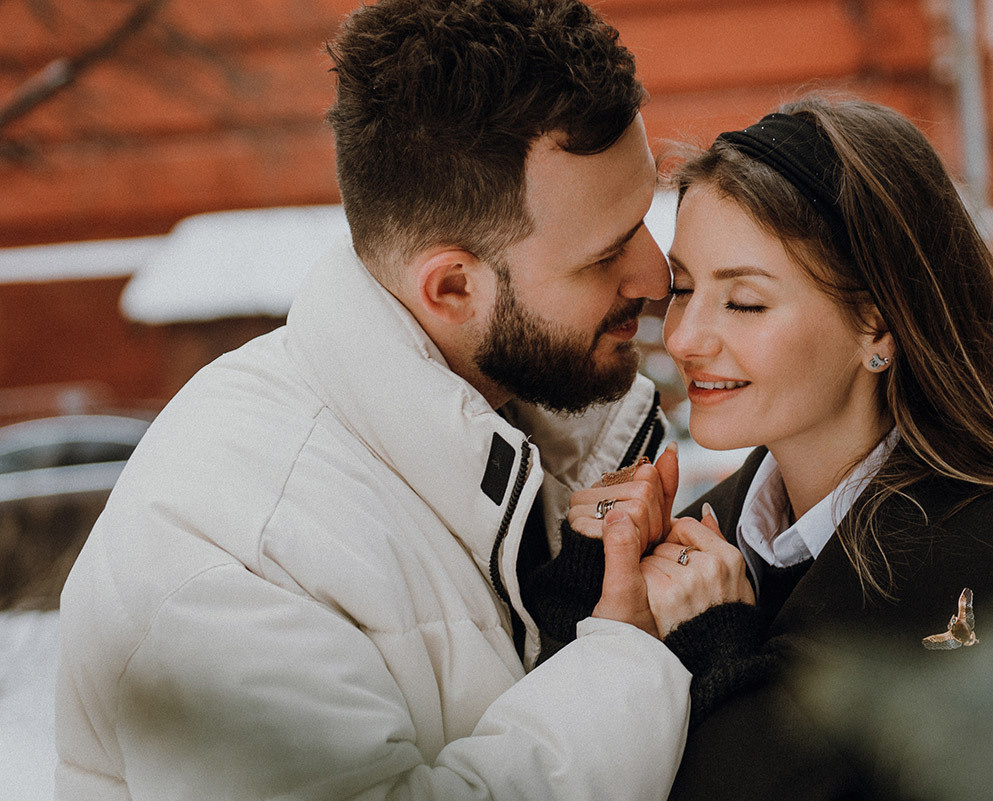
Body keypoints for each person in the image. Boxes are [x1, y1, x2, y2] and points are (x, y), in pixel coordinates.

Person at [54, 2, 727, 798]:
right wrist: (627, 656)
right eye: (606, 253)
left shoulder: (541, 429)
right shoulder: (237, 552)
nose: (655, 277)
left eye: (643, 219)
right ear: (452, 288)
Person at [535, 95, 993, 800]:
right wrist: (584, 603)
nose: (682, 337)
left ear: (876, 326)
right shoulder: (691, 544)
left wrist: (723, 657)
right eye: (683, 287)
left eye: (744, 302)